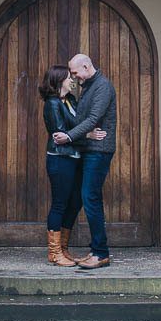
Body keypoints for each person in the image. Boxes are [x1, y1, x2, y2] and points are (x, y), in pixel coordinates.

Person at [52, 53, 116, 269]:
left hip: (99, 151)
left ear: (87, 66)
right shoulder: (88, 86)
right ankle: (95, 250)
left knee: (90, 197)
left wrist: (69, 136)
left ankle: (101, 253)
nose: (73, 76)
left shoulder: (103, 86)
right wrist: (84, 136)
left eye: (75, 72)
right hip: (87, 149)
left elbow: (92, 119)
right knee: (83, 197)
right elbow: (82, 119)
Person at [40, 65, 107, 268]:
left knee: (75, 201)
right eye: (69, 77)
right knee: (60, 203)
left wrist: (80, 133)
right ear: (59, 80)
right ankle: (54, 253)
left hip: (75, 157)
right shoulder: (52, 104)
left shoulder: (69, 100)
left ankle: (64, 248)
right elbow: (60, 136)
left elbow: (74, 129)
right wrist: (86, 135)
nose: (73, 80)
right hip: (60, 159)